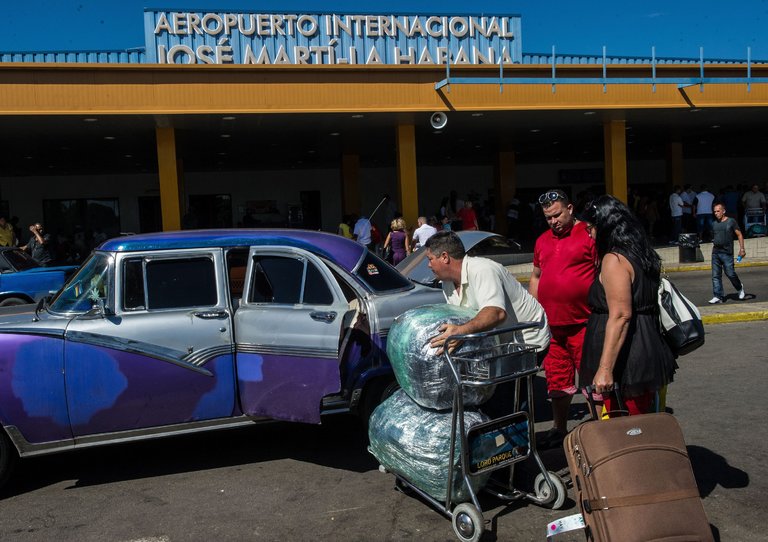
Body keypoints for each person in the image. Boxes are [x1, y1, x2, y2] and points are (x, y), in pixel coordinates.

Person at [580, 196, 677, 416]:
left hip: (627, 356)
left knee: (626, 425)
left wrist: (605, 369)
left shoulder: (615, 259)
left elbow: (621, 316)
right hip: (643, 346)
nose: (589, 233)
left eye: (591, 227)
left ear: (605, 226)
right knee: (640, 419)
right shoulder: (641, 253)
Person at [529, 189, 597, 448]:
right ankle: (559, 428)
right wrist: (534, 312)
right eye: (548, 218)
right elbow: (536, 276)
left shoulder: (589, 234)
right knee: (557, 382)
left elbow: (602, 271)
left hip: (584, 323)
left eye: (557, 215)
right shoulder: (542, 241)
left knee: (592, 381)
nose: (553, 221)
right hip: (552, 328)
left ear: (570, 208)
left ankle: (600, 429)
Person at [425, 230, 550, 359]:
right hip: (500, 340)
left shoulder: (483, 269)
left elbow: (496, 313)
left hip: (529, 338)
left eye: (430, 259)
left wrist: (460, 331)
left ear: (445, 257)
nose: (428, 265)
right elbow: (461, 318)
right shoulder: (447, 283)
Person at [709, 203, 746, 304]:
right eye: (715, 211)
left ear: (723, 211)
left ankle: (739, 288)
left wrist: (742, 249)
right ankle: (718, 296)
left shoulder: (731, 221)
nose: (716, 213)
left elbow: (739, 234)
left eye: (718, 211)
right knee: (715, 276)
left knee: (730, 273)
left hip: (727, 253)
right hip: (716, 253)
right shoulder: (714, 223)